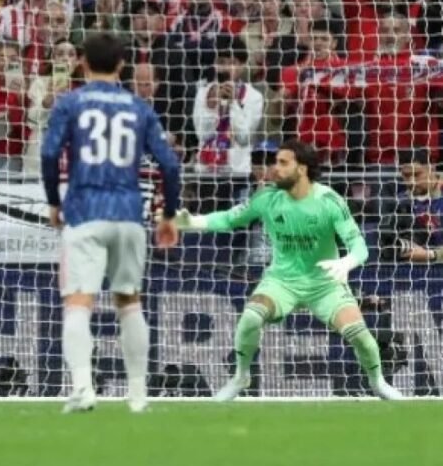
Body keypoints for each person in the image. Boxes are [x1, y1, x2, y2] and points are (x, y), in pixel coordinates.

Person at [168, 139, 403, 402]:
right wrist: (189, 221)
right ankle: (240, 377)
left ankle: (378, 382)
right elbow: (228, 219)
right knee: (251, 317)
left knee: (361, 337)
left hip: (324, 285)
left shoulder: (329, 200)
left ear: (301, 169)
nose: (274, 169)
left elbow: (359, 245)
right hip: (281, 282)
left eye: (282, 163)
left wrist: (346, 262)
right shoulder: (266, 198)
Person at [40, 31, 181, 413]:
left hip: (85, 212)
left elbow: (50, 154)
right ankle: (137, 397)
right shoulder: (139, 108)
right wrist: (168, 214)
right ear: (122, 66)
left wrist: (54, 201)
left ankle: (84, 389)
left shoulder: (70, 104)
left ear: (82, 62)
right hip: (129, 214)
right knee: (130, 302)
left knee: (78, 303)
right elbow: (169, 163)